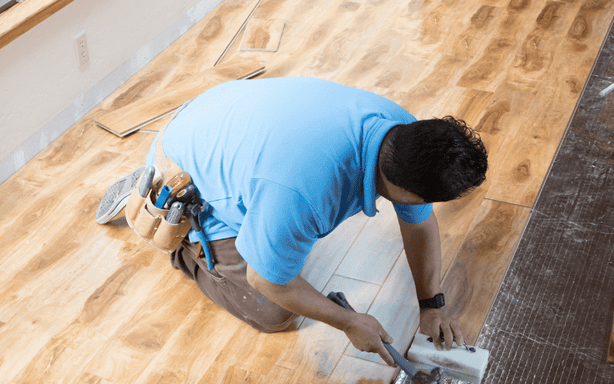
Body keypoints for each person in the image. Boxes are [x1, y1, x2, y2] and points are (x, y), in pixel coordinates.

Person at [97, 77, 487, 367]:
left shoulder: (400, 131)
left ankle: (250, 218)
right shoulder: (307, 189)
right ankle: (174, 229)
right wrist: (348, 321)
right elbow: (265, 280)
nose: (425, 207)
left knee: (288, 247)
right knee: (273, 311)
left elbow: (418, 224)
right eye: (426, 200)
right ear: (406, 191)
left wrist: (432, 305)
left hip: (220, 115)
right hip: (185, 162)